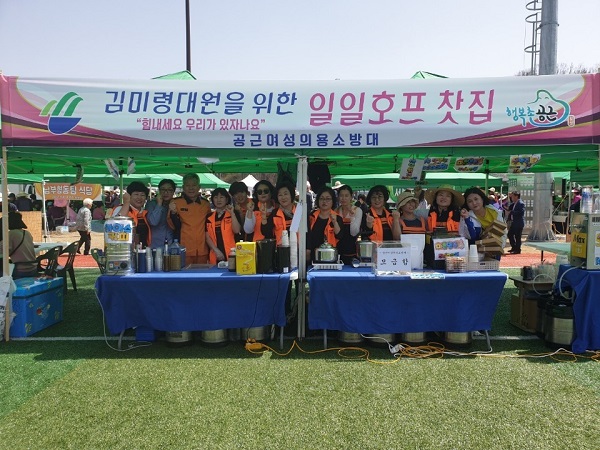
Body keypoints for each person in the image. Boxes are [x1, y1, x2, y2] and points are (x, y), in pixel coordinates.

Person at [167, 173, 211, 264]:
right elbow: (172, 225)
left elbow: (209, 226)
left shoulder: (205, 204)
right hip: (183, 248)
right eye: (188, 185)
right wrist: (173, 213)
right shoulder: (176, 203)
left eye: (194, 185)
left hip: (202, 249)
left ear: (199, 187)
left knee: (203, 272)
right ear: (183, 187)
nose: (191, 188)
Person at [424, 184, 464, 268]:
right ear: (436, 197)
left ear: (452, 199)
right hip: (433, 252)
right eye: (441, 195)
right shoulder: (429, 213)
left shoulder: (460, 214)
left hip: (454, 251)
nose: (444, 198)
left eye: (448, 196)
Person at [307, 186, 346, 263]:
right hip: (313, 257)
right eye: (322, 198)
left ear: (333, 201)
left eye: (328, 199)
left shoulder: (337, 218)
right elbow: (307, 235)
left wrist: (334, 222)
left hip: (331, 257)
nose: (324, 201)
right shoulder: (312, 216)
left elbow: (340, 236)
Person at [111, 181, 151, 248]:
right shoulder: (121, 209)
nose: (139, 198)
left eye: (142, 195)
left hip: (143, 250)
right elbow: (116, 225)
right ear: (129, 196)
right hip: (125, 250)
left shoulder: (144, 213)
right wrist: (126, 203)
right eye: (136, 194)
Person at [206, 188, 241, 264]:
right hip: (215, 255)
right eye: (216, 197)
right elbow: (207, 236)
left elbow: (237, 230)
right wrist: (216, 250)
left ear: (227, 199)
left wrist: (232, 213)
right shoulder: (209, 217)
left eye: (221, 197)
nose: (218, 200)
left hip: (232, 254)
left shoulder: (233, 213)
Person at [1, 211, 37, 279]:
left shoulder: (11, 234)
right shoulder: (27, 233)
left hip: (20, 269)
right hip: (33, 268)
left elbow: (3, 250)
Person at [335, 184, 363, 264]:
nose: (343, 198)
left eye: (346, 196)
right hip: (337, 251)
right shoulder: (335, 211)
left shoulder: (357, 210)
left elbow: (354, 232)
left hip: (352, 251)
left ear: (351, 197)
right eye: (341, 196)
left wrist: (352, 217)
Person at [145, 178, 177, 249]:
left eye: (169, 190)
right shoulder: (151, 204)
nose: (166, 192)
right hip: (154, 245)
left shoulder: (176, 204)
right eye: (163, 189)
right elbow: (153, 222)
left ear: (173, 192)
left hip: (171, 245)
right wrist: (159, 204)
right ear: (159, 190)